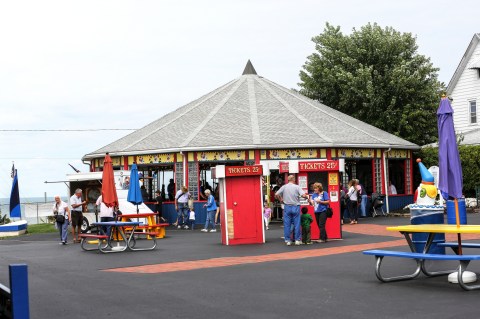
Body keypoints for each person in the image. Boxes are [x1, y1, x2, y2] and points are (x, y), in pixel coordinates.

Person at [275, 175, 309, 246]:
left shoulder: (284, 187)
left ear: (288, 180)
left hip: (287, 206)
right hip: (296, 206)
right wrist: (306, 197)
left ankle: (288, 240)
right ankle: (297, 240)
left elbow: (276, 194)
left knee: (287, 225)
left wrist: (281, 199)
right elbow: (303, 195)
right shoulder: (297, 187)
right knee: (297, 224)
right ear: (294, 180)